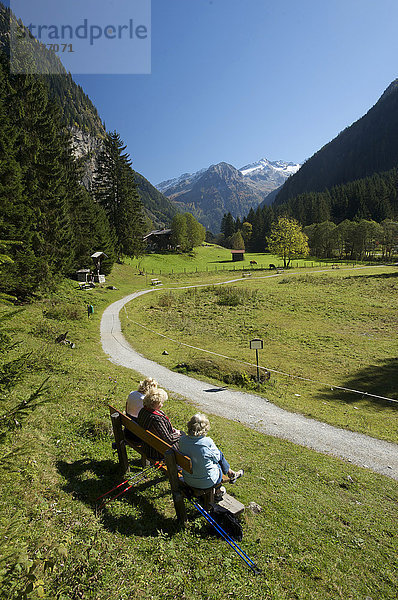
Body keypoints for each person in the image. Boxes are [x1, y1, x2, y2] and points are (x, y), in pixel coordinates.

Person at [179, 413, 243, 500]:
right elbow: (217, 458)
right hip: (206, 482)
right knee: (218, 462)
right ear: (205, 428)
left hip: (188, 479)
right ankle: (221, 486)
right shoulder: (207, 442)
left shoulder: (182, 440)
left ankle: (230, 474)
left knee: (211, 459)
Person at [137, 388, 181, 459]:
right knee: (186, 442)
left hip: (147, 443)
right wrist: (179, 434)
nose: (162, 405)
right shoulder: (156, 419)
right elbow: (168, 439)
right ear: (154, 403)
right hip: (156, 450)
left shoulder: (143, 410)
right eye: (161, 402)